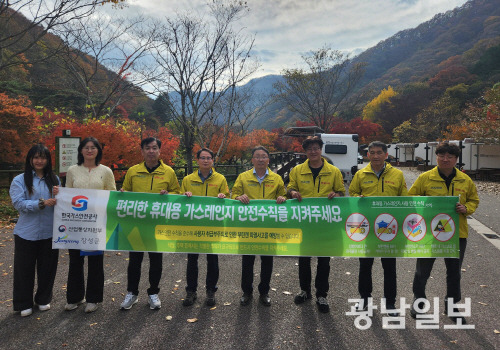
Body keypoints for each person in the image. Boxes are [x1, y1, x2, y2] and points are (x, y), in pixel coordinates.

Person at [409, 142, 479, 323]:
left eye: (450, 157)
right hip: (430, 233)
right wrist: (426, 203)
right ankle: (418, 301)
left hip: (456, 234)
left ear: (456, 159)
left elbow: (474, 200)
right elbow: (411, 197)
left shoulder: (465, 180)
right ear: (436, 157)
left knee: (454, 272)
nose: (445, 159)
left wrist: (466, 208)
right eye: (441, 156)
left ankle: (453, 307)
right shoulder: (425, 177)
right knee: (422, 270)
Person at [119, 137, 180, 310]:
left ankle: (153, 293)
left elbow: (177, 192)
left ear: (160, 151)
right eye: (148, 148)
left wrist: (169, 193)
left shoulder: (169, 172)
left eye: (154, 148)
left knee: (156, 260)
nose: (151, 151)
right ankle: (132, 293)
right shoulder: (133, 171)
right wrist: (122, 193)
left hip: (158, 224)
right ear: (142, 151)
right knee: (134, 261)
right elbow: (125, 193)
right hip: (136, 224)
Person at [348, 141, 408, 316]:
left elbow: (404, 199)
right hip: (366, 228)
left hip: (389, 228)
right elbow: (351, 193)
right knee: (365, 265)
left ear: (386, 154)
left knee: (389, 267)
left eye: (379, 152)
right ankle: (364, 299)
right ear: (368, 155)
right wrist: (357, 197)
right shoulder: (360, 174)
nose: (375, 156)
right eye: (372, 152)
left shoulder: (397, 174)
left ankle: (390, 303)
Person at [287, 136, 345, 313]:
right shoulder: (297, 170)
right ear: (305, 152)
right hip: (304, 222)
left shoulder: (333, 171)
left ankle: (322, 294)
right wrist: (293, 192)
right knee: (304, 259)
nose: (313, 151)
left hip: (325, 223)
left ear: (321, 150)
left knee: (324, 260)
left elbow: (342, 192)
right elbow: (289, 189)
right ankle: (305, 291)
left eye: (316, 148)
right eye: (310, 149)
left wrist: (336, 195)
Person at [64, 137, 117, 313]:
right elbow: (67, 196)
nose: (89, 150)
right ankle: (74, 297)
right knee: (75, 260)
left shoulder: (106, 171)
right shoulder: (72, 170)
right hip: (75, 223)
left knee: (95, 261)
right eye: (86, 147)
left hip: (96, 223)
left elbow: (112, 195)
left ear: (98, 151)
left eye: (93, 147)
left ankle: (93, 299)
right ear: (81, 150)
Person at [232, 146, 287, 307]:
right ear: (252, 160)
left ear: (268, 160)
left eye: (264, 156)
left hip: (269, 227)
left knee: (267, 261)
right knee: (247, 261)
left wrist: (282, 198)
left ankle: (264, 292)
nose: (261, 159)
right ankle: (246, 292)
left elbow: (282, 195)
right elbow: (233, 194)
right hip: (247, 227)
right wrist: (238, 196)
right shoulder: (243, 177)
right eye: (257, 156)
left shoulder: (276, 179)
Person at [9, 144, 60, 317]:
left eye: (43, 157)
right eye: (36, 157)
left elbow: (62, 205)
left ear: (48, 160)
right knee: (24, 270)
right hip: (26, 233)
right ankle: (23, 302)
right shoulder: (19, 180)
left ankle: (43, 299)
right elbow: (18, 203)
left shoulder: (54, 180)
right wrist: (41, 203)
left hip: (50, 232)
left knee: (48, 268)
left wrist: (61, 197)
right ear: (30, 159)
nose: (39, 161)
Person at [181, 148, 229, 307]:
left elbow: (228, 198)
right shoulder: (188, 179)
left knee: (212, 259)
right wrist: (185, 195)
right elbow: (179, 200)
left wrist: (223, 197)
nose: (206, 160)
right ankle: (191, 291)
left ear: (213, 161)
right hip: (193, 226)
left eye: (209, 158)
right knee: (192, 260)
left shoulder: (220, 179)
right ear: (197, 160)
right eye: (202, 158)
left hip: (213, 226)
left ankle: (210, 291)